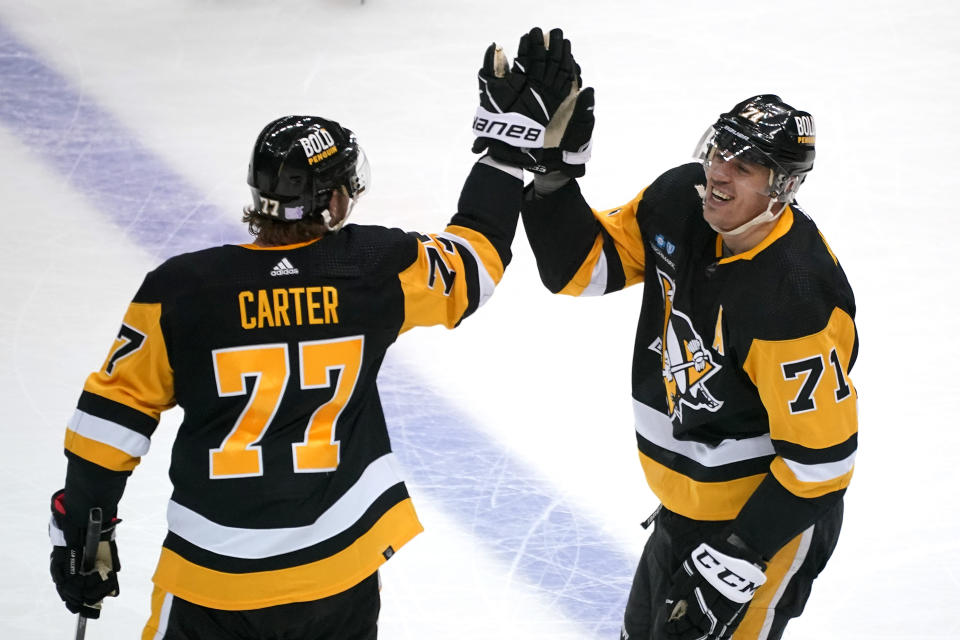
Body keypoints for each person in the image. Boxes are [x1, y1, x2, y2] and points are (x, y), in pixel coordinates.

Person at [46, 91, 573, 635]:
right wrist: (504, 156)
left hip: (213, 578)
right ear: (335, 201)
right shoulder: (372, 268)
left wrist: (86, 526)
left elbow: (112, 420)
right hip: (338, 575)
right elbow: (473, 264)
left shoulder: (181, 290)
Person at [475, 60, 858, 640]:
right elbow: (581, 268)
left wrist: (739, 554)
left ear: (782, 184)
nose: (719, 174)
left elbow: (821, 462)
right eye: (718, 152)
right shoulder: (682, 198)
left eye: (745, 165)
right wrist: (553, 177)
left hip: (761, 530)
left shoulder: (792, 297)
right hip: (685, 509)